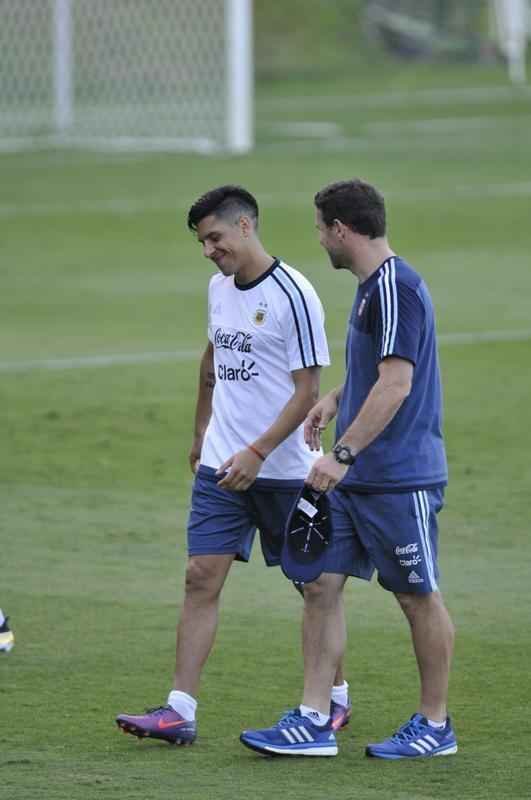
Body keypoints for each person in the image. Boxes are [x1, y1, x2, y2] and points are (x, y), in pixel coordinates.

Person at [116, 185, 351, 745]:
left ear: (246, 226)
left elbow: (307, 389)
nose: (209, 251)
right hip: (223, 466)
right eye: (202, 242)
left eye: (214, 238)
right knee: (200, 577)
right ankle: (179, 710)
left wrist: (258, 452)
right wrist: (202, 431)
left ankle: (334, 697)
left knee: (314, 587)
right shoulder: (218, 288)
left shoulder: (295, 294)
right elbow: (213, 357)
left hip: (286, 471)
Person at [240, 178, 457, 759]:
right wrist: (337, 397)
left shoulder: (395, 288)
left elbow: (397, 384)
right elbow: (378, 371)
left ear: (341, 229)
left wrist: (340, 455)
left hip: (398, 478)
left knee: (416, 596)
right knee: (319, 584)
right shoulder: (371, 288)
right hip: (360, 478)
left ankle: (435, 725)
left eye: (320, 228)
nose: (318, 239)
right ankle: (313, 719)